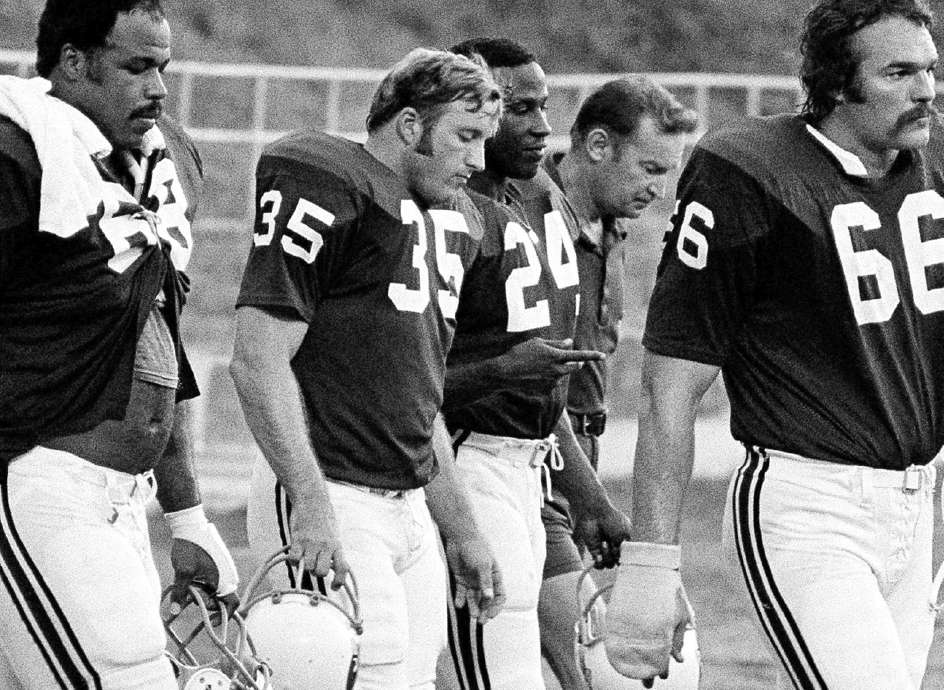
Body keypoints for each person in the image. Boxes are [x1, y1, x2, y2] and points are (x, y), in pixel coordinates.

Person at [602, 1, 944, 689]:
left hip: (916, 505)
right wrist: (652, 562)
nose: (925, 90)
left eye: (929, 69)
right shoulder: (748, 172)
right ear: (836, 83)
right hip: (804, 506)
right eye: (898, 73)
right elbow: (672, 383)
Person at [230, 48, 506, 689]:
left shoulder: (446, 220)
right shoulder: (331, 182)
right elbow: (257, 360)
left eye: (484, 140)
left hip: (407, 505)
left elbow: (417, 397)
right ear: (410, 125)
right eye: (465, 136)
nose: (477, 160)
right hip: (331, 488)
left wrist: (461, 527)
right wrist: (310, 500)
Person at [0, 1, 239, 687]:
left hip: (124, 499)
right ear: (74, 62)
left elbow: (159, 341)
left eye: (164, 68)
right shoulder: (19, 149)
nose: (159, 89)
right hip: (42, 484)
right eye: (137, 68)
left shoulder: (164, 160)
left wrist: (186, 511)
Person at [439, 38, 631, 690]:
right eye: (519, 108)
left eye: (543, 106)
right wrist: (498, 371)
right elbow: (401, 382)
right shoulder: (442, 213)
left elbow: (543, 377)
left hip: (529, 468)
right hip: (461, 456)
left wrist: (589, 496)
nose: (543, 126)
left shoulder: (538, 200)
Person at [537, 75, 699, 688]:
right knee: (597, 666)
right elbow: (538, 383)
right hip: (528, 466)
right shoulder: (532, 219)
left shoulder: (610, 226)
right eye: (649, 168)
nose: (657, 188)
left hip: (570, 463)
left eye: (667, 173)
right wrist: (590, 498)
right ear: (598, 145)